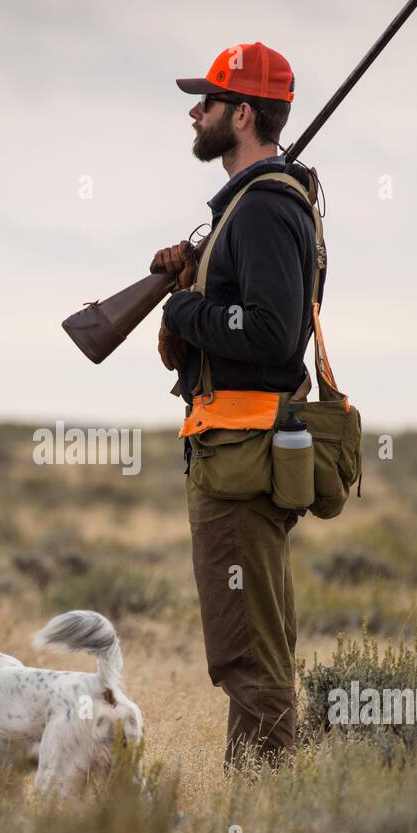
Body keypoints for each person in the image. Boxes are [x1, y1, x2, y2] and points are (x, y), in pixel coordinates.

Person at [151, 41, 322, 767]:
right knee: (256, 646)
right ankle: (266, 804)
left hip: (240, 459)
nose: (196, 113)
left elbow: (271, 333)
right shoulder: (259, 206)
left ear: (244, 114)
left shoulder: (261, 210)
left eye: (210, 101)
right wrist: (197, 281)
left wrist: (184, 309)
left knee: (247, 654)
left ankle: (261, 811)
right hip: (239, 452)